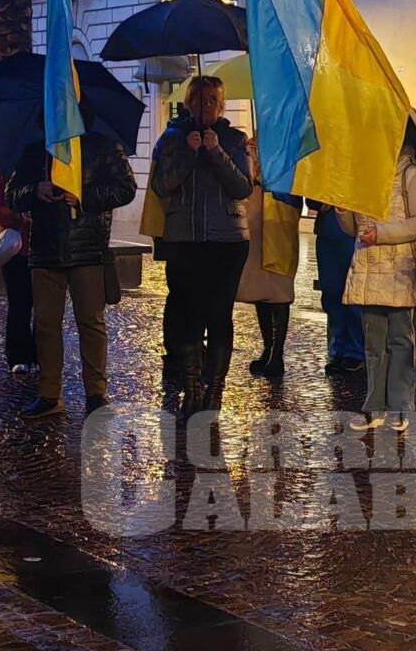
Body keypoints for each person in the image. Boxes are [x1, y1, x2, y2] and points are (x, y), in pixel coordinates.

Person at [16, 130, 138, 418]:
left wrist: (83, 196)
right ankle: (49, 393)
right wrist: (35, 191)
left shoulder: (104, 145)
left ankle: (96, 393)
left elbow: (126, 188)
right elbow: (13, 192)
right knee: (46, 324)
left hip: (88, 248)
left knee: (91, 323)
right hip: (45, 249)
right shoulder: (34, 148)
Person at [149, 76, 253, 405]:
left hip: (227, 241)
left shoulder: (235, 139)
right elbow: (161, 186)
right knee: (188, 314)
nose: (206, 106)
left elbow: (243, 187)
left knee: (219, 314)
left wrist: (216, 151)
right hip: (185, 240)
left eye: (212, 100)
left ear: (221, 105)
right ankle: (192, 385)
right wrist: (189, 154)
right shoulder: (172, 138)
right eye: (199, 100)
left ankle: (216, 389)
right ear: (189, 103)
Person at [341, 146, 416, 431]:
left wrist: (382, 234)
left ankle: (400, 406)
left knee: (400, 340)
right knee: (373, 343)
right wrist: (342, 211)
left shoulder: (413, 174)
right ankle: (374, 407)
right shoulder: (362, 175)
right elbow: (351, 228)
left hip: (399, 269)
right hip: (369, 267)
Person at [239, 138, 299, 378]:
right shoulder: (249, 147)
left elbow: (295, 187)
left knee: (279, 291)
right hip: (255, 223)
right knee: (259, 291)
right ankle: (267, 347)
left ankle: (278, 352)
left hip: (279, 222)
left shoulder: (289, 150)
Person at [0, 171, 37, 377]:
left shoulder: (54, 170)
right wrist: (16, 216)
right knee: (19, 305)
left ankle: (42, 356)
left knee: (45, 308)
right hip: (17, 251)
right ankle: (19, 357)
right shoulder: (7, 173)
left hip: (47, 248)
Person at [313, 199, 366, 371]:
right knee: (331, 291)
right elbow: (310, 197)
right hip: (327, 231)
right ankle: (338, 348)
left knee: (351, 292)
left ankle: (355, 350)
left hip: (353, 231)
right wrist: (320, 202)